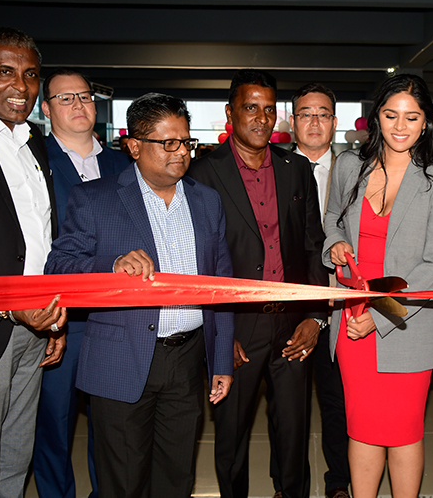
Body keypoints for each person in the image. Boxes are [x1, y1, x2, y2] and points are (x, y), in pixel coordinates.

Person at [45, 93, 234, 497]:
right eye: (168, 142)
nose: (180, 152)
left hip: (186, 361)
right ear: (133, 145)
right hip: (121, 359)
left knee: (176, 478)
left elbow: (222, 283)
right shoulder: (95, 198)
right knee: (123, 482)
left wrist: (221, 360)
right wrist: (109, 267)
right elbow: (58, 270)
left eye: (185, 141)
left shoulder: (206, 200)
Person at [187, 69, 328, 498]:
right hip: (236, 325)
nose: (261, 118)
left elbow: (311, 246)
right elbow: (198, 260)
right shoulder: (203, 172)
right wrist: (217, 330)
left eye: (269, 109)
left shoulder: (296, 168)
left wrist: (316, 317)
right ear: (230, 113)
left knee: (293, 433)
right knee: (230, 436)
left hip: (290, 323)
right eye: (251, 107)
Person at [322, 74, 433, 498]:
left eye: (412, 117)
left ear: (425, 123)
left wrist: (380, 315)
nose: (401, 126)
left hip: (406, 322)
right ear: (375, 118)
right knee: (361, 428)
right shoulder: (349, 165)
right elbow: (331, 221)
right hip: (352, 318)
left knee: (402, 431)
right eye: (391, 114)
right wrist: (336, 243)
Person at [0, 27, 67, 498]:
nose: (21, 87)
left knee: (15, 455)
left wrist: (55, 315)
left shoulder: (35, 145)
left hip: (37, 323)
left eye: (30, 75)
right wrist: (6, 307)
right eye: (5, 72)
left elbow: (42, 237)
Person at [33, 68, 130, 498]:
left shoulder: (122, 163)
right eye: (65, 98)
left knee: (110, 424)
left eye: (85, 96)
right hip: (60, 315)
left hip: (114, 315)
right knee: (53, 421)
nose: (78, 105)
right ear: (46, 107)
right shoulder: (35, 161)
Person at [287, 83, 350, 498]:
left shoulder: (358, 169)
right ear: (291, 122)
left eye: (323, 114)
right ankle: (286, 484)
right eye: (305, 113)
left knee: (338, 401)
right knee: (287, 407)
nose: (314, 121)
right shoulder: (272, 168)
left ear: (334, 122)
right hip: (287, 306)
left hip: (341, 304)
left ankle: (339, 482)